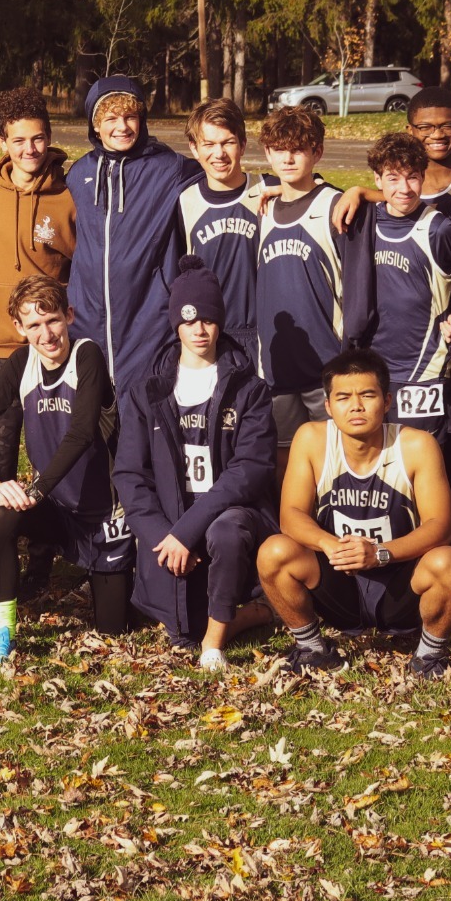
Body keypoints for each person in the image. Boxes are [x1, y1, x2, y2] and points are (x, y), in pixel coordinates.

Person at [255, 349, 451, 678]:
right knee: (274, 552)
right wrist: (330, 545)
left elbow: (441, 526)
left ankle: (427, 658)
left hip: (400, 584)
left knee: (450, 563)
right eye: (343, 397)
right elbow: (291, 515)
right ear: (328, 406)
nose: (356, 406)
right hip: (338, 581)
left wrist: (379, 554)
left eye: (367, 395)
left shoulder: (416, 445)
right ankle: (313, 650)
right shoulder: (311, 438)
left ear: (387, 401)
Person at [113, 256, 278, 670]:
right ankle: (243, 615)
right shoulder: (147, 392)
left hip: (230, 514)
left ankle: (214, 645)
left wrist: (187, 531)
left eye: (207, 319)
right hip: (170, 524)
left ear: (220, 321)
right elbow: (130, 475)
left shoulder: (249, 389)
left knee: (225, 530)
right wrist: (164, 536)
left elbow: (249, 471)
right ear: (176, 325)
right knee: (180, 632)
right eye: (188, 321)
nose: (199, 330)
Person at [0, 276, 130, 662]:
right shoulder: (22, 362)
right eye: (34, 325)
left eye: (52, 320)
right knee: (2, 514)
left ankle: (124, 576)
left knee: (114, 631)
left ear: (68, 315)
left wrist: (35, 490)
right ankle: (3, 631)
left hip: (104, 515)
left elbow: (82, 434)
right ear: (19, 328)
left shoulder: (87, 355)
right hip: (56, 509)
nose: (47, 333)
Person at [0, 86, 76, 596]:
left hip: (50, 347)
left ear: (49, 138)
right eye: (18, 140)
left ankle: (42, 556)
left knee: (48, 453)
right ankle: (0, 556)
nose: (29, 149)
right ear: (2, 143)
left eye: (37, 139)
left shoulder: (68, 195)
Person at [65, 75, 202, 384]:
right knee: (94, 407)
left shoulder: (168, 168)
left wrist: (282, 188)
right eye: (111, 119)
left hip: (148, 324)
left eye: (130, 116)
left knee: (142, 409)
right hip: (86, 321)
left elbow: (224, 179)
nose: (123, 126)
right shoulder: (79, 173)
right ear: (95, 126)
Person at [255, 106, 374, 463]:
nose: (288, 158)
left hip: (328, 367)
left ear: (317, 152)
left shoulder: (337, 205)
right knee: (285, 462)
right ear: (267, 153)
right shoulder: (263, 209)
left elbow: (406, 198)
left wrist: (364, 191)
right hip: (277, 368)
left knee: (334, 460)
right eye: (279, 149)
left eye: (298, 149)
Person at [363, 133, 451, 468]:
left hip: (424, 370)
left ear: (423, 176)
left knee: (423, 464)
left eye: (413, 177)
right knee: (377, 461)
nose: (404, 188)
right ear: (377, 179)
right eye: (393, 178)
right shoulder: (365, 222)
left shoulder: (439, 229)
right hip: (373, 367)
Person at [181, 98, 267, 353]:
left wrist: (359, 192)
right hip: (209, 337)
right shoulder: (185, 202)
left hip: (264, 334)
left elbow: (318, 193)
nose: (219, 154)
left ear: (243, 145)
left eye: (228, 142)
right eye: (208, 144)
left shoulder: (268, 189)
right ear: (194, 148)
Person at [331, 86, 451, 233]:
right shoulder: (401, 184)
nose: (437, 135)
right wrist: (357, 192)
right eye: (425, 127)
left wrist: (360, 192)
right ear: (410, 130)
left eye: (447, 126)